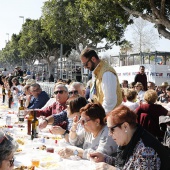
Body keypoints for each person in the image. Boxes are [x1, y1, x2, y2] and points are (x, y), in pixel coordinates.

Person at [89, 105, 170, 170]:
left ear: (125, 126)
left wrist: (110, 168)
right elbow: (126, 165)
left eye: (112, 129)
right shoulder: (131, 138)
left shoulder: (146, 151)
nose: (109, 134)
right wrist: (105, 159)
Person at [80, 48, 122, 113]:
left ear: (93, 59)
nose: (85, 67)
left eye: (85, 64)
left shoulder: (107, 73)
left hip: (109, 117)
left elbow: (110, 102)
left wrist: (101, 118)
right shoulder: (96, 72)